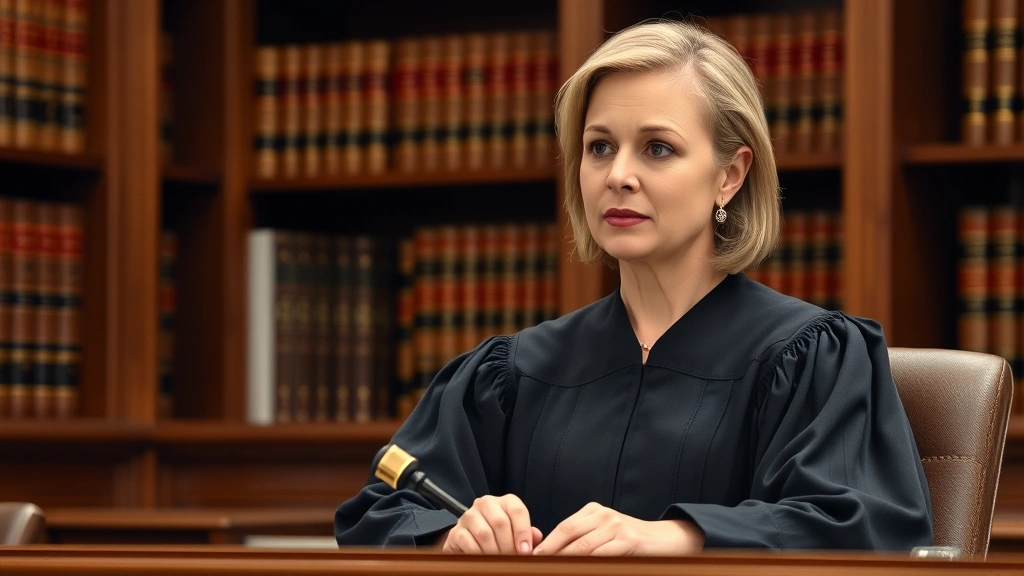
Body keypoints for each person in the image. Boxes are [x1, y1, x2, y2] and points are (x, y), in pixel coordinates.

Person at [334, 19, 933, 555]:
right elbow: (379, 511)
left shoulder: (812, 359)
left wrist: (678, 536)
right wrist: (453, 537)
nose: (618, 175)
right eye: (600, 147)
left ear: (730, 174)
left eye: (658, 148)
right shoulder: (512, 374)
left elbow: (864, 530)